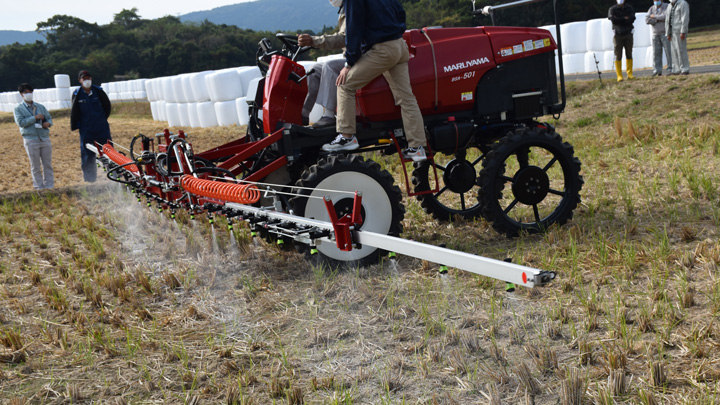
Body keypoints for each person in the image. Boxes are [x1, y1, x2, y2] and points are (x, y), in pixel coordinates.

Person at [322, 0, 427, 162]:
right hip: (399, 45)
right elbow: (401, 12)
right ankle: (417, 148)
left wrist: (349, 63)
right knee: (407, 99)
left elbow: (354, 30)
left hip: (382, 50)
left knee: (344, 84)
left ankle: (347, 137)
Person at [298, 0, 346, 128]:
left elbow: (343, 38)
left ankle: (329, 115)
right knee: (314, 70)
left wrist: (314, 40)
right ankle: (303, 113)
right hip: (351, 55)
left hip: (360, 56)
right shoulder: (344, 9)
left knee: (329, 66)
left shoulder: (352, 8)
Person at [71, 70, 112, 182]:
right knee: (88, 155)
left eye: (88, 78)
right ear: (80, 80)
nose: (87, 80)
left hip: (101, 127)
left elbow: (107, 107)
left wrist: (102, 119)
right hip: (86, 129)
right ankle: (90, 180)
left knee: (108, 151)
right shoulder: (77, 94)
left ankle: (112, 176)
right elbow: (75, 111)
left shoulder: (98, 92)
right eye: (84, 78)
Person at [13, 83, 54, 190]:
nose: (29, 94)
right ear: (21, 94)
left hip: (44, 137)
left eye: (30, 92)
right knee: (35, 165)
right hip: (31, 139)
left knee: (47, 164)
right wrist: (34, 118)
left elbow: (49, 118)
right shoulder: (18, 109)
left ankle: (50, 186)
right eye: (26, 93)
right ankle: (39, 187)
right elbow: (21, 123)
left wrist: (48, 124)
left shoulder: (40, 107)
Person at [608, 0, 636, 82]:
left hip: (628, 33)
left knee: (629, 53)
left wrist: (619, 19)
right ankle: (619, 75)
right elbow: (613, 19)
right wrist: (624, 18)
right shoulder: (612, 9)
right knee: (618, 54)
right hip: (617, 34)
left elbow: (632, 18)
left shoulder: (629, 8)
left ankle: (629, 74)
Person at [646, 0, 672, 76]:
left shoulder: (667, 6)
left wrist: (654, 17)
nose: (656, 1)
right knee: (656, 53)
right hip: (655, 34)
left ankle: (671, 69)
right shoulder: (651, 8)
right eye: (655, 0)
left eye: (658, 0)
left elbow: (666, 16)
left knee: (669, 52)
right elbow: (647, 20)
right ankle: (657, 70)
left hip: (665, 33)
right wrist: (656, 20)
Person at [666, 0, 690, 75]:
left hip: (679, 30)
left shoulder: (682, 3)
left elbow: (685, 18)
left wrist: (683, 31)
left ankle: (684, 69)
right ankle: (676, 69)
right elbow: (667, 20)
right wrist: (668, 33)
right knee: (674, 51)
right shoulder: (669, 5)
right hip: (672, 32)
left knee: (681, 50)